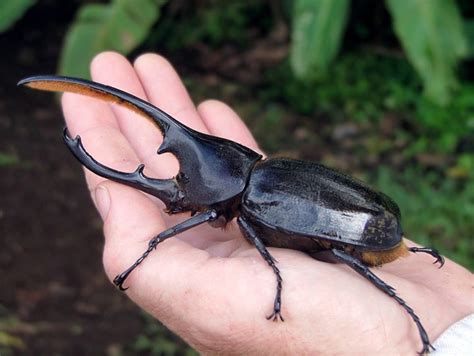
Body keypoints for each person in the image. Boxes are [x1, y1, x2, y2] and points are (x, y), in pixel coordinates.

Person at [61, 52, 473, 354]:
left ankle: (401, 303)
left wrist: (155, 243)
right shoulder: (262, 174)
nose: (178, 195)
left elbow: (242, 229)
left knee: (337, 251)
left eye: (187, 191)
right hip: (379, 224)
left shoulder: (255, 199)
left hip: (369, 236)